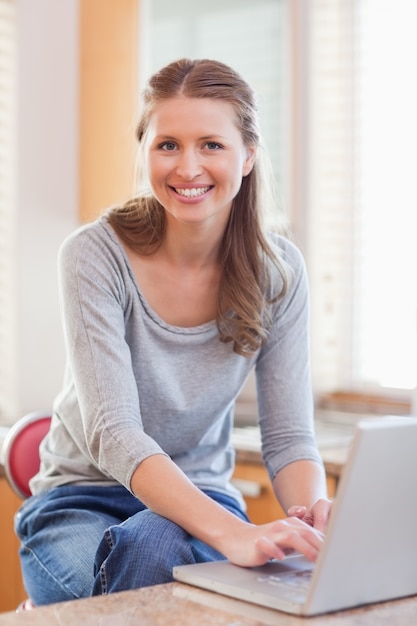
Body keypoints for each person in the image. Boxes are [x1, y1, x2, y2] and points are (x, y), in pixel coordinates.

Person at [15, 58, 332, 606]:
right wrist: (234, 534)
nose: (188, 168)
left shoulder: (278, 270)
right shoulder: (95, 255)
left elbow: (288, 438)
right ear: (144, 151)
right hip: (80, 503)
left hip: (204, 502)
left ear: (249, 155)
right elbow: (114, 434)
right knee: (154, 547)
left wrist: (312, 523)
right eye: (168, 145)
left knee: (155, 538)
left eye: (211, 144)